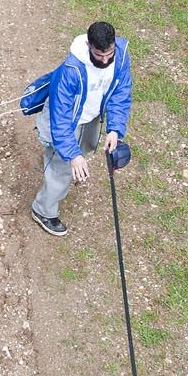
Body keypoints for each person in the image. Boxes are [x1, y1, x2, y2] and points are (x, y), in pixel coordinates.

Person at [30, 20, 132, 236]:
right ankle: (43, 211)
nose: (105, 60)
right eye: (99, 55)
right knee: (62, 167)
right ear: (88, 45)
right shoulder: (70, 71)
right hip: (66, 122)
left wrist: (114, 129)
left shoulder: (121, 56)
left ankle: (58, 158)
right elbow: (60, 119)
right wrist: (72, 155)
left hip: (90, 118)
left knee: (80, 151)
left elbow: (120, 93)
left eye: (109, 53)